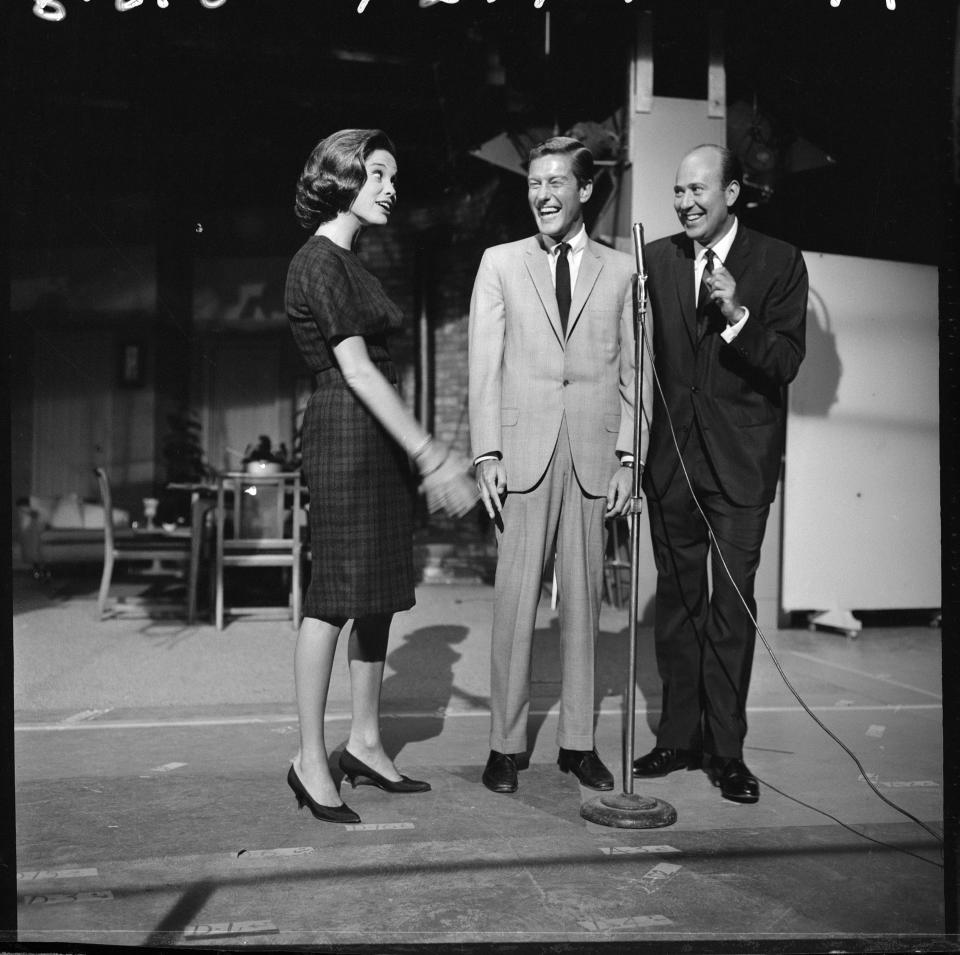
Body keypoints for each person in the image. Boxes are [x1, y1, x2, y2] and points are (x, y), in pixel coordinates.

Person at [284, 128, 477, 824]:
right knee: (334, 595)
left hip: (372, 434)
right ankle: (311, 759)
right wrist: (430, 453)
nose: (391, 187)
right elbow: (358, 369)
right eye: (378, 173)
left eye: (393, 175)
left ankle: (363, 741)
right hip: (346, 429)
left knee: (376, 594)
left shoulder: (351, 259)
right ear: (341, 178)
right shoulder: (320, 262)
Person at [469, 136, 649, 795]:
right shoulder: (500, 263)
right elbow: (483, 364)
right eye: (533, 184)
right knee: (514, 604)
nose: (542, 194)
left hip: (593, 453)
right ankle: (504, 745)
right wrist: (485, 451)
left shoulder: (622, 269)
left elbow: (635, 372)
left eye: (554, 182)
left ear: (585, 190)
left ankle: (579, 743)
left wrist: (630, 455)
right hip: (523, 451)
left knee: (585, 604)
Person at [633, 144, 807, 804]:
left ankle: (725, 750)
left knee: (731, 609)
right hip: (673, 463)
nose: (685, 202)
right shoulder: (657, 260)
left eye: (699, 190)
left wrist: (737, 316)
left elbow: (786, 360)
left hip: (740, 466)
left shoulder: (779, 261)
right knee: (679, 607)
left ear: (732, 192)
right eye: (678, 191)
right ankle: (678, 735)